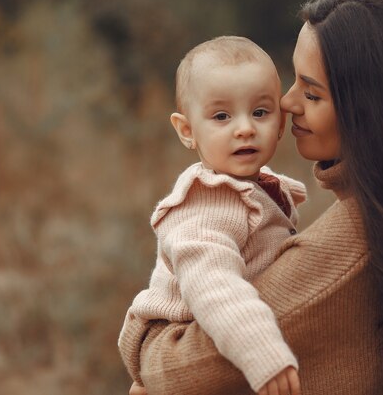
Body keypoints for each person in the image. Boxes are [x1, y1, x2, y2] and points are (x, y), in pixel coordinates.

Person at [123, 0, 383, 395]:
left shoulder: (343, 251)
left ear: (369, 112)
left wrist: (145, 337)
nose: (287, 103)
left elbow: (174, 372)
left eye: (311, 91)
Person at [118, 36, 305, 395]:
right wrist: (261, 351)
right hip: (179, 330)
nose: (245, 128)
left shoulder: (257, 189)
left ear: (281, 123)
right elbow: (214, 286)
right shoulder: (206, 203)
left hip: (217, 334)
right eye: (222, 116)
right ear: (187, 130)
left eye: (260, 112)